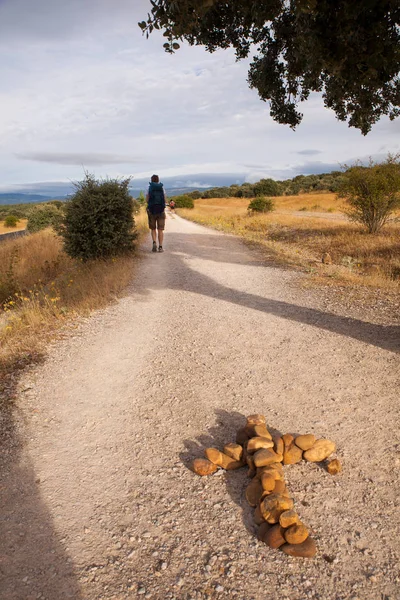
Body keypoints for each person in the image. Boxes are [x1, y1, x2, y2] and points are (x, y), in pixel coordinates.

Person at [146, 174, 166, 252]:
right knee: (160, 229)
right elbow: (164, 199)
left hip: (151, 210)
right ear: (158, 180)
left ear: (151, 180)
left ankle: (154, 242)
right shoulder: (162, 187)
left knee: (153, 228)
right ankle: (160, 246)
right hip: (160, 210)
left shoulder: (148, 187)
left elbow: (147, 200)